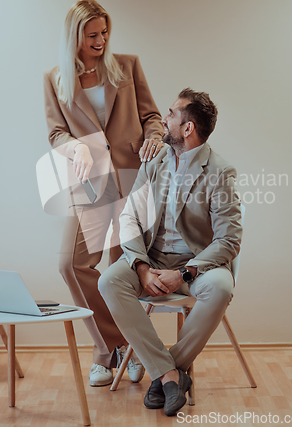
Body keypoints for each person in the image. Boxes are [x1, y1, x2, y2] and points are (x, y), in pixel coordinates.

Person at [98, 89, 243, 416]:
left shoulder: (220, 171)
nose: (164, 119)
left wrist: (185, 272)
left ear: (188, 127)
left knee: (222, 286)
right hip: (150, 260)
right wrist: (141, 267)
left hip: (196, 267)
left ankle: (165, 371)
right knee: (109, 282)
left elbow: (228, 240)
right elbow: (130, 216)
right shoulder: (155, 160)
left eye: (172, 113)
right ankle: (170, 375)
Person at [44, 0, 164, 387]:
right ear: (75, 36)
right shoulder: (55, 79)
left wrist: (156, 136)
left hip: (131, 177)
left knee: (120, 268)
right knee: (72, 264)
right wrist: (75, 146)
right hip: (90, 182)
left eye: (105, 32)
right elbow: (55, 133)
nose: (101, 39)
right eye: (93, 34)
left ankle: (118, 353)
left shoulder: (126, 66)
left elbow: (151, 115)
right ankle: (115, 346)